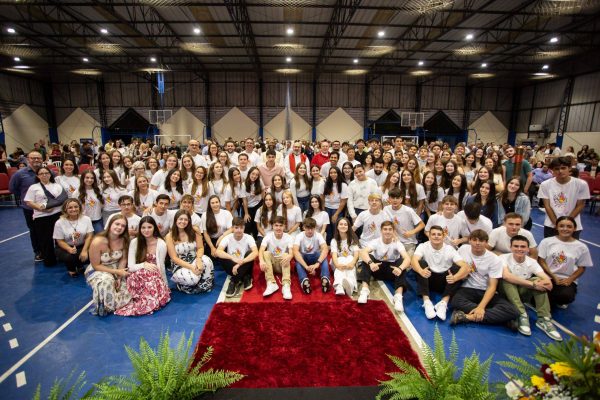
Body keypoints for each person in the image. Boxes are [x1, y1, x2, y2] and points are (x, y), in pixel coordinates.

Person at [449, 230, 519, 327]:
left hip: (485, 291)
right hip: (467, 288)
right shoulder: (463, 249)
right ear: (469, 241)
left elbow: (492, 286)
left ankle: (467, 317)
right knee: (455, 301)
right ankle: (501, 319)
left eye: (481, 241)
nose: (477, 243)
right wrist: (480, 309)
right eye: (474, 240)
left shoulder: (495, 260)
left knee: (513, 311)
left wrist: (481, 307)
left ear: (486, 242)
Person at [500, 235, 562, 340]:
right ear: (510, 247)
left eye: (523, 246)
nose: (519, 249)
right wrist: (533, 284)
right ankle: (522, 314)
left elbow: (549, 284)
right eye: (516, 246)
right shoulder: (503, 258)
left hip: (521, 293)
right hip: (505, 292)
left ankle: (544, 318)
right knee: (507, 279)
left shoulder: (532, 262)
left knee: (539, 280)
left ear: (528, 249)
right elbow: (506, 276)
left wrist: (538, 283)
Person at [411, 225, 470, 320]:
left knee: (457, 268)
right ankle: (427, 302)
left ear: (443, 236)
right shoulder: (423, 246)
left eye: (439, 234)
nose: (436, 236)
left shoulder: (450, 249)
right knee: (420, 264)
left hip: (445, 281)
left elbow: (465, 266)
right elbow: (413, 260)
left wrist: (455, 277)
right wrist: (421, 271)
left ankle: (443, 303)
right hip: (428, 278)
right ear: (429, 236)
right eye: (433, 234)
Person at [116, 216, 171, 316]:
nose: (146, 230)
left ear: (154, 228)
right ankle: (142, 298)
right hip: (137, 273)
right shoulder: (134, 242)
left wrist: (165, 285)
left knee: (152, 287)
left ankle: (148, 299)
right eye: (143, 227)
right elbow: (130, 267)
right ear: (140, 229)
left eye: (149, 227)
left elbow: (161, 266)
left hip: (154, 276)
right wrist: (143, 265)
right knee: (138, 276)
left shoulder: (161, 244)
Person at [537, 216, 593, 308]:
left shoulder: (581, 247)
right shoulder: (546, 242)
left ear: (574, 228)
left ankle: (556, 299)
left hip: (565, 279)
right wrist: (553, 276)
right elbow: (541, 261)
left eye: (569, 226)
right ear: (556, 227)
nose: (565, 229)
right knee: (538, 291)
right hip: (547, 276)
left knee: (565, 296)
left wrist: (570, 279)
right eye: (561, 226)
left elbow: (582, 267)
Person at [356, 221, 411, 311]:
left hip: (393, 271)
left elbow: (407, 258)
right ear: (381, 231)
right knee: (368, 258)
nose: (387, 231)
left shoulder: (397, 243)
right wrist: (371, 263)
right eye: (385, 229)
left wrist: (400, 268)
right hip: (377, 268)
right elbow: (363, 252)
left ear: (393, 231)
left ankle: (398, 297)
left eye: (390, 229)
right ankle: (365, 290)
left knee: (402, 261)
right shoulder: (376, 241)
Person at [84, 214, 132, 316]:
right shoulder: (97, 241)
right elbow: (96, 265)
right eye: (117, 224)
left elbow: (123, 259)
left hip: (117, 268)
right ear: (110, 224)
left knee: (130, 284)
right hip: (99, 269)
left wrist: (119, 277)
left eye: (123, 226)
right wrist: (116, 272)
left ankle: (113, 302)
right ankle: (105, 307)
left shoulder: (124, 240)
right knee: (106, 282)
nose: (119, 227)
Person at [23, 166, 67, 267]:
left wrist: (51, 206)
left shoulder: (57, 186)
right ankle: (49, 260)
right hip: (41, 217)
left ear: (50, 174)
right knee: (45, 240)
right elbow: (29, 202)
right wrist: (42, 208)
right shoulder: (33, 187)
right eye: (41, 173)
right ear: (37, 176)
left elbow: (62, 199)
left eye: (46, 173)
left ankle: (61, 257)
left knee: (60, 238)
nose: (44, 175)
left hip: (57, 215)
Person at [538, 157, 590, 238]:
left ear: (569, 168)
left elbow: (580, 205)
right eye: (556, 169)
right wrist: (556, 223)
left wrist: (566, 223)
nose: (560, 171)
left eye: (563, 168)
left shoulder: (581, 184)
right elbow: (547, 206)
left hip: (572, 224)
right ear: (552, 170)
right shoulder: (545, 185)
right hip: (551, 225)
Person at [166, 209, 214, 294]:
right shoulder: (169, 236)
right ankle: (183, 285)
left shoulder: (194, 231)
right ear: (176, 220)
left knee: (207, 261)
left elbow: (200, 248)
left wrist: (198, 260)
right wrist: (191, 267)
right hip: (180, 265)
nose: (183, 222)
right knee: (192, 279)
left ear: (189, 221)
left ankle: (204, 284)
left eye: (185, 219)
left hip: (194, 259)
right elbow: (174, 258)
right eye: (180, 219)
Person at [9, 151, 45, 261]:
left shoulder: (47, 172)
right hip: (30, 209)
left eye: (38, 158)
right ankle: (38, 252)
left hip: (47, 208)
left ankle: (49, 250)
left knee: (48, 230)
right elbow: (13, 188)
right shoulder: (19, 174)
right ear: (28, 159)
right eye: (33, 158)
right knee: (34, 230)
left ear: (42, 159)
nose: (36, 160)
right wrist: (26, 198)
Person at [216, 217, 259, 297]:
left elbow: (256, 252)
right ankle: (245, 276)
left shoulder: (249, 237)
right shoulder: (228, 237)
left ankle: (234, 281)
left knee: (250, 253)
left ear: (244, 228)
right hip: (232, 265)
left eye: (241, 228)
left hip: (244, 264)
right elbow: (218, 252)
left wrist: (240, 263)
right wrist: (232, 258)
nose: (239, 230)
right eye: (236, 228)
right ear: (232, 228)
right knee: (221, 256)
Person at [53, 199, 94, 277]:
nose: (74, 209)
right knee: (70, 257)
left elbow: (89, 236)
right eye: (70, 207)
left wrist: (84, 250)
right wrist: (69, 249)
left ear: (79, 208)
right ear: (65, 209)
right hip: (66, 247)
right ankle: (71, 268)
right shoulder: (59, 222)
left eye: (76, 207)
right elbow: (60, 241)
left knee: (91, 253)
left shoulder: (86, 219)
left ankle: (80, 265)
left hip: (82, 245)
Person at [258, 216, 294, 300]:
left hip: (282, 264)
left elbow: (291, 252)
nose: (278, 228)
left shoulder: (288, 237)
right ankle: (271, 283)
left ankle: (286, 285)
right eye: (276, 225)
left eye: (281, 225)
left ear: (284, 226)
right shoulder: (268, 236)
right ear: (272, 226)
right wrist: (261, 261)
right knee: (266, 253)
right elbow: (261, 250)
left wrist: (290, 256)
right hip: (271, 265)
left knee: (286, 255)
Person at [292, 217, 330, 294]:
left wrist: (317, 264)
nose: (310, 231)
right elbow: (295, 251)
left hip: (315, 257)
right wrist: (306, 267)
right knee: (298, 258)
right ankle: (304, 280)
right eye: (307, 228)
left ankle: (325, 278)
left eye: (312, 229)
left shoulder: (318, 235)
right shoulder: (299, 236)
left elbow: (325, 249)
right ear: (303, 228)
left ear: (315, 228)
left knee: (323, 256)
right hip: (304, 258)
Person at [384, 187, 425, 256]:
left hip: (409, 242)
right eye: (393, 198)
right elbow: (388, 225)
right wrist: (394, 237)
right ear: (389, 199)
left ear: (401, 199)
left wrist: (412, 232)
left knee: (408, 261)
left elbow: (422, 225)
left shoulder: (408, 210)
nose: (395, 200)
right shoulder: (386, 209)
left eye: (397, 198)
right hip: (394, 241)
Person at [330, 217, 359, 296]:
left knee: (350, 257)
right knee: (341, 258)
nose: (343, 226)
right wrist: (337, 265)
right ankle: (339, 286)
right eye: (341, 224)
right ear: (337, 227)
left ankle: (349, 285)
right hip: (338, 263)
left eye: (345, 224)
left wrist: (352, 263)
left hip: (350, 263)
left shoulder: (352, 239)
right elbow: (334, 256)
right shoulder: (334, 240)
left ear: (348, 227)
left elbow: (356, 254)